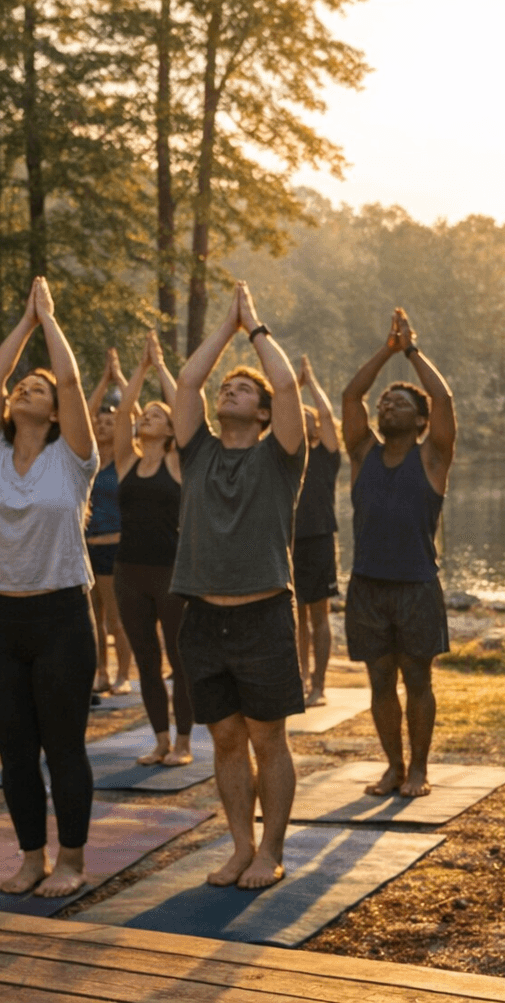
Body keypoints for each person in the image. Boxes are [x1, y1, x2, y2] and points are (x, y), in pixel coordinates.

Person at [172, 283, 306, 889]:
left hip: (264, 615)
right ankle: (239, 847)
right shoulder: (197, 452)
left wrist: (254, 327)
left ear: (261, 411)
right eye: (227, 386)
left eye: (243, 388)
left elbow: (292, 390)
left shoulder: (280, 455)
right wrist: (223, 329)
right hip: (203, 617)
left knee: (267, 737)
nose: (230, 388)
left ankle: (271, 851)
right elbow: (185, 384)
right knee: (226, 738)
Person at [0, 276, 99, 899]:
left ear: (54, 411)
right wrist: (21, 325)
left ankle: (71, 859)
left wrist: (48, 318)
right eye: (27, 384)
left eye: (39, 388)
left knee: (63, 747)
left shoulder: (73, 459)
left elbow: (72, 383)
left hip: (62, 619)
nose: (29, 389)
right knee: (15, 753)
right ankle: (30, 857)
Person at [341, 308, 455, 799]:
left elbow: (445, 397)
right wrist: (385, 354)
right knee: (380, 681)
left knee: (418, 680)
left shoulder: (432, 456)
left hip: (416, 586)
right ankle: (393, 766)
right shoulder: (363, 453)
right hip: (367, 584)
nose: (388, 405)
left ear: (422, 420)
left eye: (401, 401)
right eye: (386, 401)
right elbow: (351, 396)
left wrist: (410, 351)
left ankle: (419, 770)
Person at [113, 330, 191, 766]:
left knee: (179, 660)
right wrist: (139, 369)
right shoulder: (126, 460)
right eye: (148, 414)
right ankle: (159, 740)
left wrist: (161, 367)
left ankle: (182, 743)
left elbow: (182, 408)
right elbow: (125, 409)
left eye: (157, 415)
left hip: (171, 572)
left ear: (170, 429)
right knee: (146, 659)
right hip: (130, 572)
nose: (148, 416)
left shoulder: (177, 463)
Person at [293, 355, 341, 707]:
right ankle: (299, 679)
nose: (307, 419)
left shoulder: (326, 455)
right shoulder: (285, 456)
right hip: (287, 542)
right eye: (301, 415)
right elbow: (278, 413)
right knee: (295, 616)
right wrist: (291, 391)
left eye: (308, 418)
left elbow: (326, 416)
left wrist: (308, 382)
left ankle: (319, 685)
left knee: (318, 615)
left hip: (320, 540)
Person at [86, 353, 134, 695]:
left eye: (109, 423)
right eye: (99, 423)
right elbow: (85, 414)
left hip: (114, 547)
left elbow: (134, 414)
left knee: (116, 618)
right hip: (84, 546)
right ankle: (100, 672)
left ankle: (123, 675)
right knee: (93, 620)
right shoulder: (86, 460)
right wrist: (103, 381)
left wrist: (119, 379)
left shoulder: (124, 459)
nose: (103, 425)